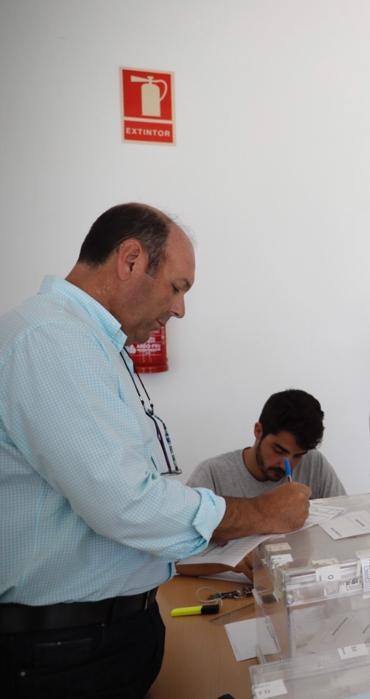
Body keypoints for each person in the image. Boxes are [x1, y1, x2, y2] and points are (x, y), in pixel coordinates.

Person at [0, 203, 310, 698]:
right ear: (130, 260)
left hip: (94, 636)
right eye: (178, 287)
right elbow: (127, 503)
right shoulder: (53, 341)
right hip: (65, 649)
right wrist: (259, 514)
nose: (180, 309)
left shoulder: (86, 341)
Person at [187, 389, 345, 499]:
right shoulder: (211, 475)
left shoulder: (314, 462)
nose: (286, 465)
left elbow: (344, 517)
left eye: (298, 456)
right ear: (258, 431)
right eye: (279, 450)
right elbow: (182, 537)